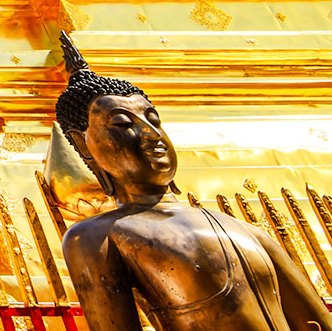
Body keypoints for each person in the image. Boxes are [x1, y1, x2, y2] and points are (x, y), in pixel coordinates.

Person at [57, 33, 330, 331]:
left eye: (154, 120)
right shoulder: (97, 236)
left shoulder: (244, 230)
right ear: (83, 145)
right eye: (123, 123)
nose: (152, 134)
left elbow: (316, 320)